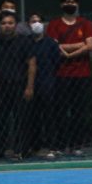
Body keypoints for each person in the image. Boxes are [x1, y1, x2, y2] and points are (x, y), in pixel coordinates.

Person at [47, 0, 92, 156]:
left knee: (79, 111)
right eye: (67, 2)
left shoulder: (85, 23)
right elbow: (54, 46)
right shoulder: (54, 24)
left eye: (73, 2)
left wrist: (68, 53)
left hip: (81, 74)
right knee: (60, 111)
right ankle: (60, 145)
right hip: (61, 74)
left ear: (77, 4)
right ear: (61, 5)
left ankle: (77, 145)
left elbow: (90, 45)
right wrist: (79, 45)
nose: (70, 4)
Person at [0, 11, 36, 159]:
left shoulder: (25, 41)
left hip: (19, 85)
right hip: (0, 87)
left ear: (16, 25)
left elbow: (32, 64)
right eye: (3, 23)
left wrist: (29, 87)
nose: (7, 26)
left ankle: (22, 150)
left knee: (22, 119)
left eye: (10, 23)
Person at [27, 12, 62, 158]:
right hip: (30, 85)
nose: (36, 24)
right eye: (33, 21)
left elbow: (57, 62)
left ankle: (52, 146)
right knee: (32, 117)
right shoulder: (26, 42)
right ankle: (34, 146)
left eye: (39, 21)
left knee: (49, 116)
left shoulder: (51, 43)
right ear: (28, 25)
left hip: (47, 83)